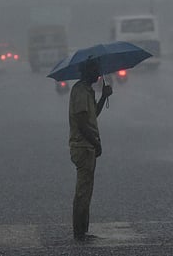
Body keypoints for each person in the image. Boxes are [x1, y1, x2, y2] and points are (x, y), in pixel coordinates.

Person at [69, 59, 112, 241]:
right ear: (87, 71)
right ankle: (79, 232)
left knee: (87, 190)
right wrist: (96, 143)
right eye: (95, 70)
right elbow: (81, 121)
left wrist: (103, 96)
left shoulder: (87, 90)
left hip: (87, 146)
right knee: (83, 191)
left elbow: (92, 114)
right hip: (83, 146)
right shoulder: (80, 90)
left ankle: (83, 230)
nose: (98, 74)